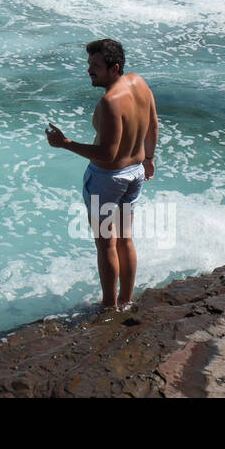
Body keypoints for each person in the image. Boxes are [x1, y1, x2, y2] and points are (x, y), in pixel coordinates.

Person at [46, 38, 158, 310]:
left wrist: (66, 144)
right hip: (134, 173)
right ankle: (126, 300)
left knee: (106, 244)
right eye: (89, 64)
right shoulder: (139, 83)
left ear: (114, 67)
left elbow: (107, 154)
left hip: (109, 179)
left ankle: (108, 307)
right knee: (125, 239)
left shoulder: (110, 102)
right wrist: (150, 159)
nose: (89, 71)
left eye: (95, 66)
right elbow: (153, 124)